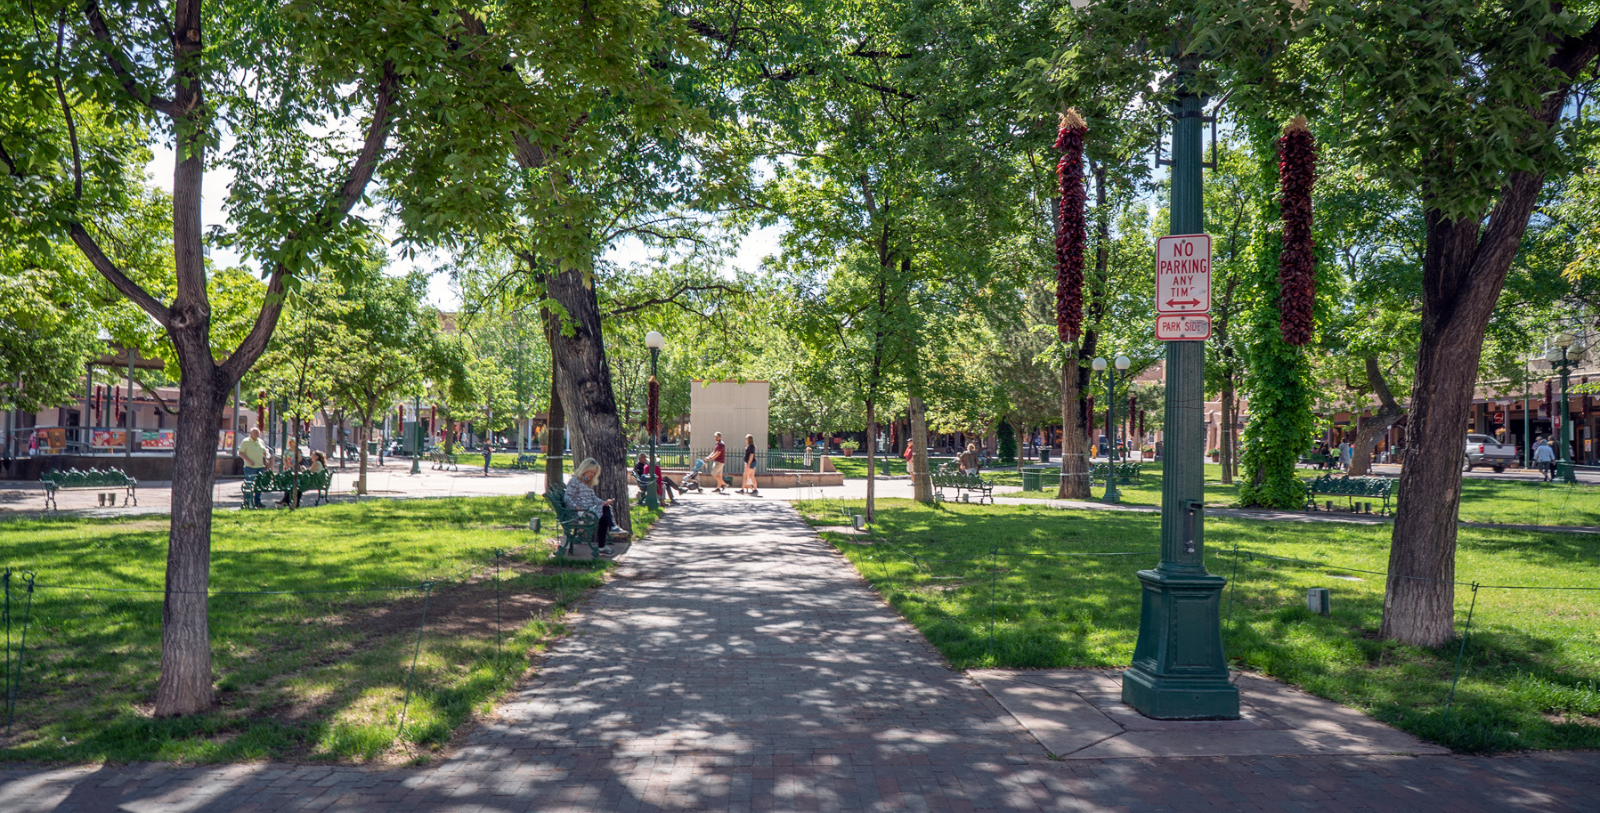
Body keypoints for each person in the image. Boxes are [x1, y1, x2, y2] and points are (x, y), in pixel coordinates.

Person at [565, 458, 629, 554]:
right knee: (604, 512)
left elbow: (593, 498)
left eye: (594, 473)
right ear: (585, 469)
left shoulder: (587, 483)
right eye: (591, 472)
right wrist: (576, 507)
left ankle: (604, 542)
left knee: (605, 510)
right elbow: (567, 497)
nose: (592, 475)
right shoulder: (575, 481)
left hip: (588, 511)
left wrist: (603, 502)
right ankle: (612, 529)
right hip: (578, 513)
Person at [238, 427, 271, 508]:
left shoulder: (260, 441)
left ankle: (257, 502)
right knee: (249, 485)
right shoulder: (246, 441)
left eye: (258, 432)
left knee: (259, 485)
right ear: (251, 433)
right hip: (250, 467)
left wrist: (266, 458)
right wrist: (249, 460)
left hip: (260, 466)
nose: (257, 434)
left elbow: (264, 451)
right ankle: (247, 502)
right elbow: (241, 453)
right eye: (255, 432)